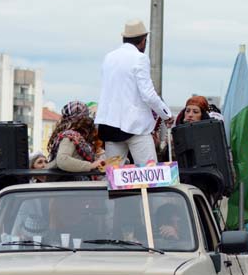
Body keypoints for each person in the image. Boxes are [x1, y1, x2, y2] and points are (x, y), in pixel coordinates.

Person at [95, 19, 173, 166]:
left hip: (110, 123)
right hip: (135, 125)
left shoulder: (109, 57)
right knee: (149, 173)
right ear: (143, 41)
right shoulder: (140, 58)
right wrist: (166, 114)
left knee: (114, 174)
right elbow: (148, 94)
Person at [47, 101, 107, 174]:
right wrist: (90, 166)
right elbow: (63, 160)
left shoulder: (75, 136)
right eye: (87, 117)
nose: (89, 121)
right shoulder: (70, 136)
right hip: (71, 180)